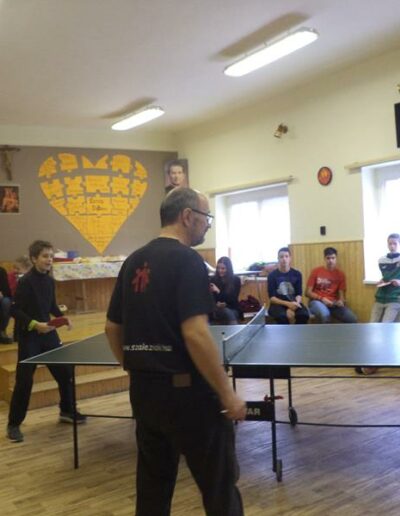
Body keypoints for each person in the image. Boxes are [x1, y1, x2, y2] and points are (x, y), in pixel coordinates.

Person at [105, 187, 246, 516]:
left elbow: (112, 328)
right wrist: (227, 393)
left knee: (153, 491)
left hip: (144, 392)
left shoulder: (133, 260)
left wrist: (136, 367)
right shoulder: (188, 260)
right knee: (220, 489)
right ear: (187, 216)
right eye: (206, 217)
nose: (207, 224)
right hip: (189, 397)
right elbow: (195, 333)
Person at [6, 240, 86, 443]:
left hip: (49, 334)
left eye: (51, 256)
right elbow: (14, 310)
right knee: (24, 381)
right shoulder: (26, 282)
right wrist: (35, 324)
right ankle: (13, 424)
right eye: (44, 256)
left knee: (65, 373)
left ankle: (67, 411)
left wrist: (62, 317)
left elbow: (50, 305)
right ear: (34, 259)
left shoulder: (50, 281)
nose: (49, 260)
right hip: (30, 336)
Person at [358, 233, 400, 375]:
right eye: (390, 243)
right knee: (373, 328)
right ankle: (370, 358)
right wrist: (382, 281)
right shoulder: (382, 260)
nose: (392, 246)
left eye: (395, 243)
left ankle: (377, 362)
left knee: (385, 328)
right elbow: (386, 277)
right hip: (380, 297)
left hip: (395, 299)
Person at [306, 247, 357, 323]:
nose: (330, 260)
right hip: (317, 301)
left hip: (333, 304)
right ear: (324, 258)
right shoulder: (316, 271)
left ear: (336, 258)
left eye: (333, 258)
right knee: (325, 315)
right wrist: (322, 299)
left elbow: (342, 296)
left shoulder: (340, 274)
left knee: (352, 319)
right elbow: (307, 292)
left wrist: (341, 302)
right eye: (328, 258)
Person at [268, 247, 309, 324]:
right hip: (278, 304)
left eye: (286, 256)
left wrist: (294, 305)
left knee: (304, 315)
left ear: (290, 258)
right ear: (278, 259)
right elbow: (272, 298)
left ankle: (297, 332)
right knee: (282, 317)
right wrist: (288, 304)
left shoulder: (297, 274)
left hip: (294, 303)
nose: (284, 259)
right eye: (281, 257)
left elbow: (299, 294)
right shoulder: (272, 276)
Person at [209, 256, 242, 324]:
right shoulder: (213, 280)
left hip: (232, 308)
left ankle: (234, 329)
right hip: (216, 309)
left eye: (223, 268)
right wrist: (216, 304)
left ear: (228, 269)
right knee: (225, 312)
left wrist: (218, 291)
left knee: (228, 312)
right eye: (218, 268)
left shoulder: (236, 280)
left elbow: (233, 299)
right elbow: (210, 298)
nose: (220, 270)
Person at [0, 266, 12, 344]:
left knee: (6, 302)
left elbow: (7, 291)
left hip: (1, 298)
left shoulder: (1, 271)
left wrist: (2, 293)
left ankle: (2, 330)